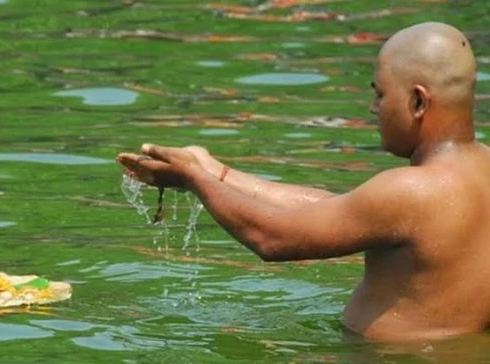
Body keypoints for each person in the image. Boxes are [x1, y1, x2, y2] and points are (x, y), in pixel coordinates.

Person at [116, 22, 489, 342]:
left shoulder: (411, 191)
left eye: (379, 93)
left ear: (419, 102)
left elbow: (272, 239)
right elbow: (340, 209)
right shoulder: (478, 169)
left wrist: (193, 179)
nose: (373, 108)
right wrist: (218, 174)